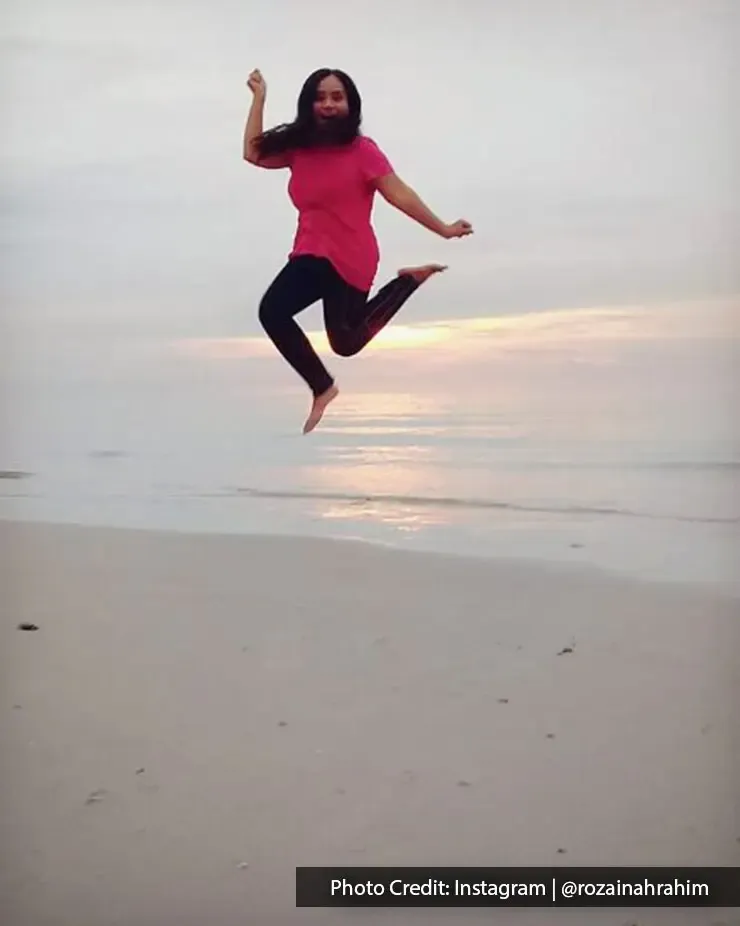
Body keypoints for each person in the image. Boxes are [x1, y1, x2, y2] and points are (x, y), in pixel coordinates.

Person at [243, 67, 473, 433]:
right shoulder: (298, 149)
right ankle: (325, 385)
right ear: (308, 104)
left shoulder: (363, 152)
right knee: (293, 321)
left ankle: (404, 286)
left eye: (337, 97)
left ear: (351, 105)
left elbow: (400, 195)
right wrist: (259, 98)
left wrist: (443, 229)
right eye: (320, 98)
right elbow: (253, 153)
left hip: (352, 254)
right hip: (311, 251)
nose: (329, 104)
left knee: (340, 341)